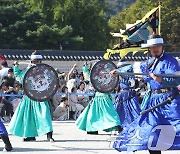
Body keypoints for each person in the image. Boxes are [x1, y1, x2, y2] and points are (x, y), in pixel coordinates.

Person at [111, 34, 180, 154]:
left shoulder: (171, 61)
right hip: (153, 101)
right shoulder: (149, 63)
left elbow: (177, 78)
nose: (155, 49)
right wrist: (119, 71)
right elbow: (133, 68)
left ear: (162, 47)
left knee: (177, 129)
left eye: (157, 46)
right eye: (152, 47)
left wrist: (160, 79)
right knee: (150, 134)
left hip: (169, 100)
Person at [8, 51, 54, 142]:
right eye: (35, 61)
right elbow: (19, 78)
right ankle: (30, 135)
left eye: (38, 61)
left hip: (41, 97)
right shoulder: (27, 71)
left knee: (45, 116)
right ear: (32, 61)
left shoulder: (45, 70)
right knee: (28, 117)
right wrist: (16, 67)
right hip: (29, 97)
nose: (37, 63)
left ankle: (49, 135)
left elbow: (51, 80)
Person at [113, 62, 141, 128]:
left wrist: (118, 71)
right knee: (119, 110)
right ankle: (119, 125)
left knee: (133, 110)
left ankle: (135, 125)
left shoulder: (128, 71)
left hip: (129, 93)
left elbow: (131, 83)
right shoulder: (124, 74)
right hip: (123, 93)